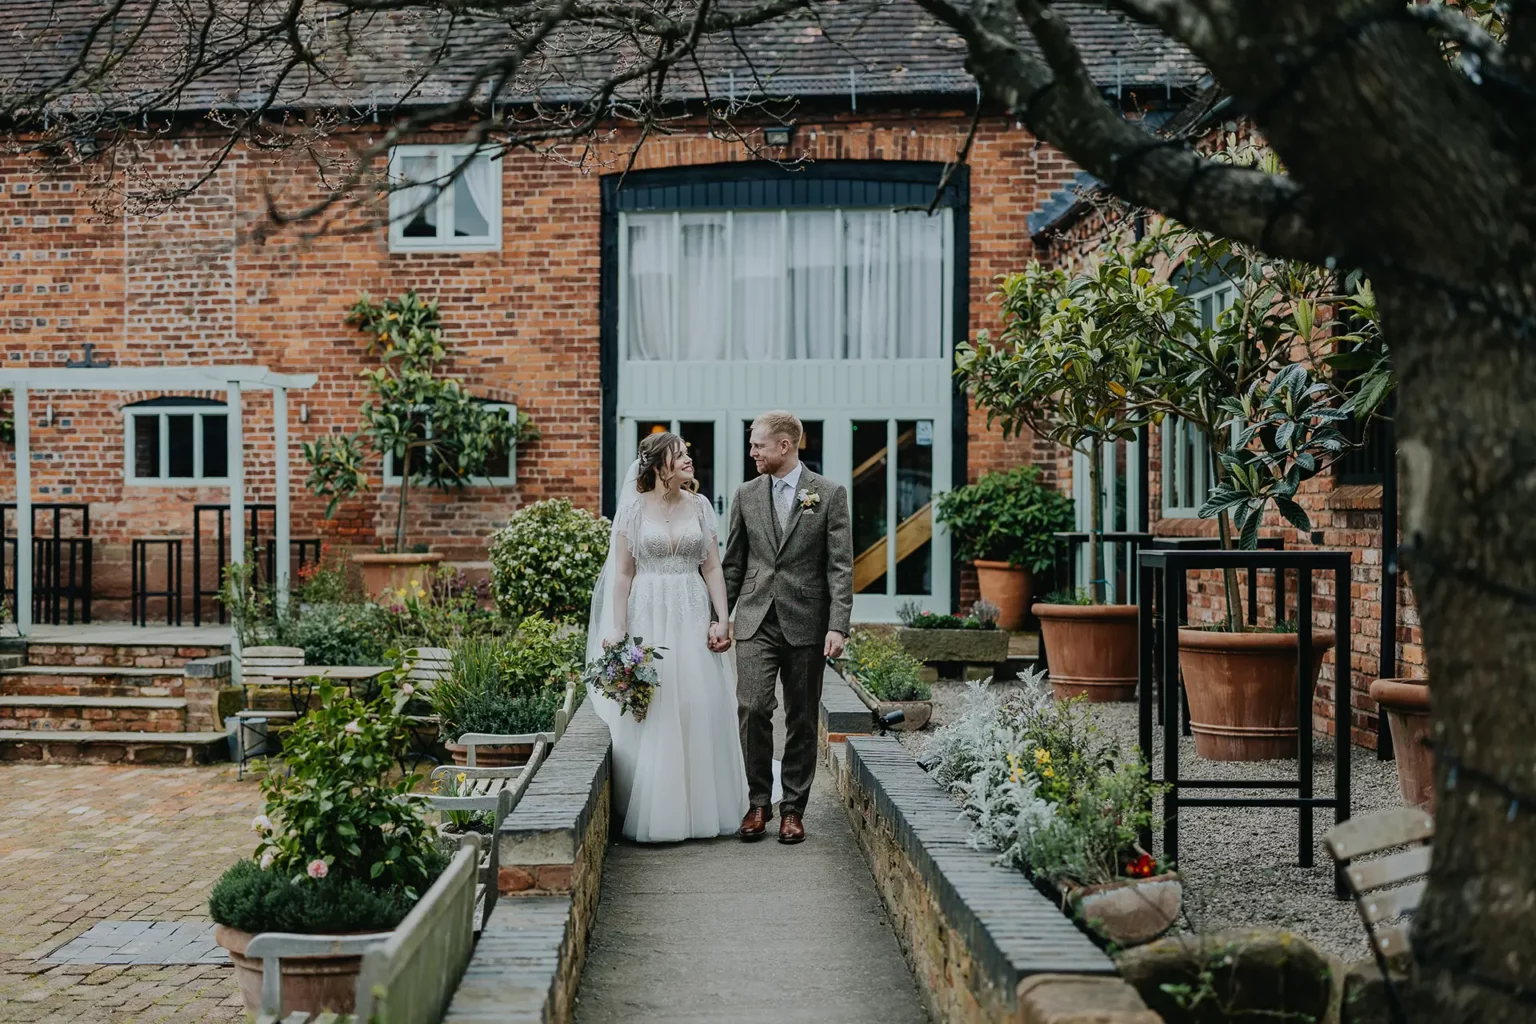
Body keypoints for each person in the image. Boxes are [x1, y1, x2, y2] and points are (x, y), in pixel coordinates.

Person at [585, 431, 749, 842]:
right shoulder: (633, 510)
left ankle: (702, 806)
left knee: (698, 701)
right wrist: (618, 627)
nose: (689, 461)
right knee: (655, 706)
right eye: (680, 456)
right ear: (659, 466)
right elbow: (623, 573)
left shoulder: (701, 506)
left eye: (687, 455)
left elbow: (712, 567)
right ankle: (656, 808)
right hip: (648, 612)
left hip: (692, 610)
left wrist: (722, 619)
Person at [723, 411, 854, 844]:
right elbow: (734, 564)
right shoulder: (745, 495)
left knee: (801, 716)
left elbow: (840, 567)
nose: (752, 452)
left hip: (807, 621)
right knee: (754, 707)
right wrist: (718, 615)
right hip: (755, 617)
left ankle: (793, 809)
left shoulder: (830, 494)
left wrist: (838, 625)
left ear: (784, 445)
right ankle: (758, 801)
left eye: (758, 445)